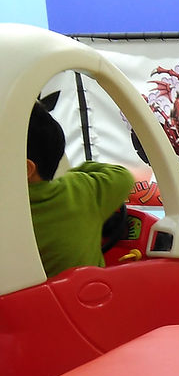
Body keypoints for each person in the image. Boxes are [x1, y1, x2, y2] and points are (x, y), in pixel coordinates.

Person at [27, 100, 136, 279]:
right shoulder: (81, 190)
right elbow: (123, 176)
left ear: (27, 169)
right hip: (88, 293)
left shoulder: (11, 212)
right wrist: (73, 174)